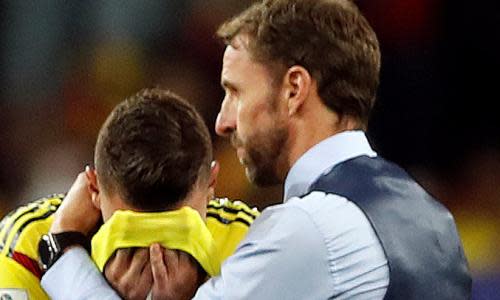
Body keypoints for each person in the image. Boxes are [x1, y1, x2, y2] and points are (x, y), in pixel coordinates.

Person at [41, 0, 472, 299]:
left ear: (294, 90)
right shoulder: (433, 217)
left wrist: (61, 250)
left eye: (236, 92)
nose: (223, 122)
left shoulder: (308, 231)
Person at [0, 88, 259, 299]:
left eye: (178, 232)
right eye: (130, 232)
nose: (153, 254)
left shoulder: (251, 242)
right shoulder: (23, 249)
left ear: (211, 184)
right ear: (94, 190)